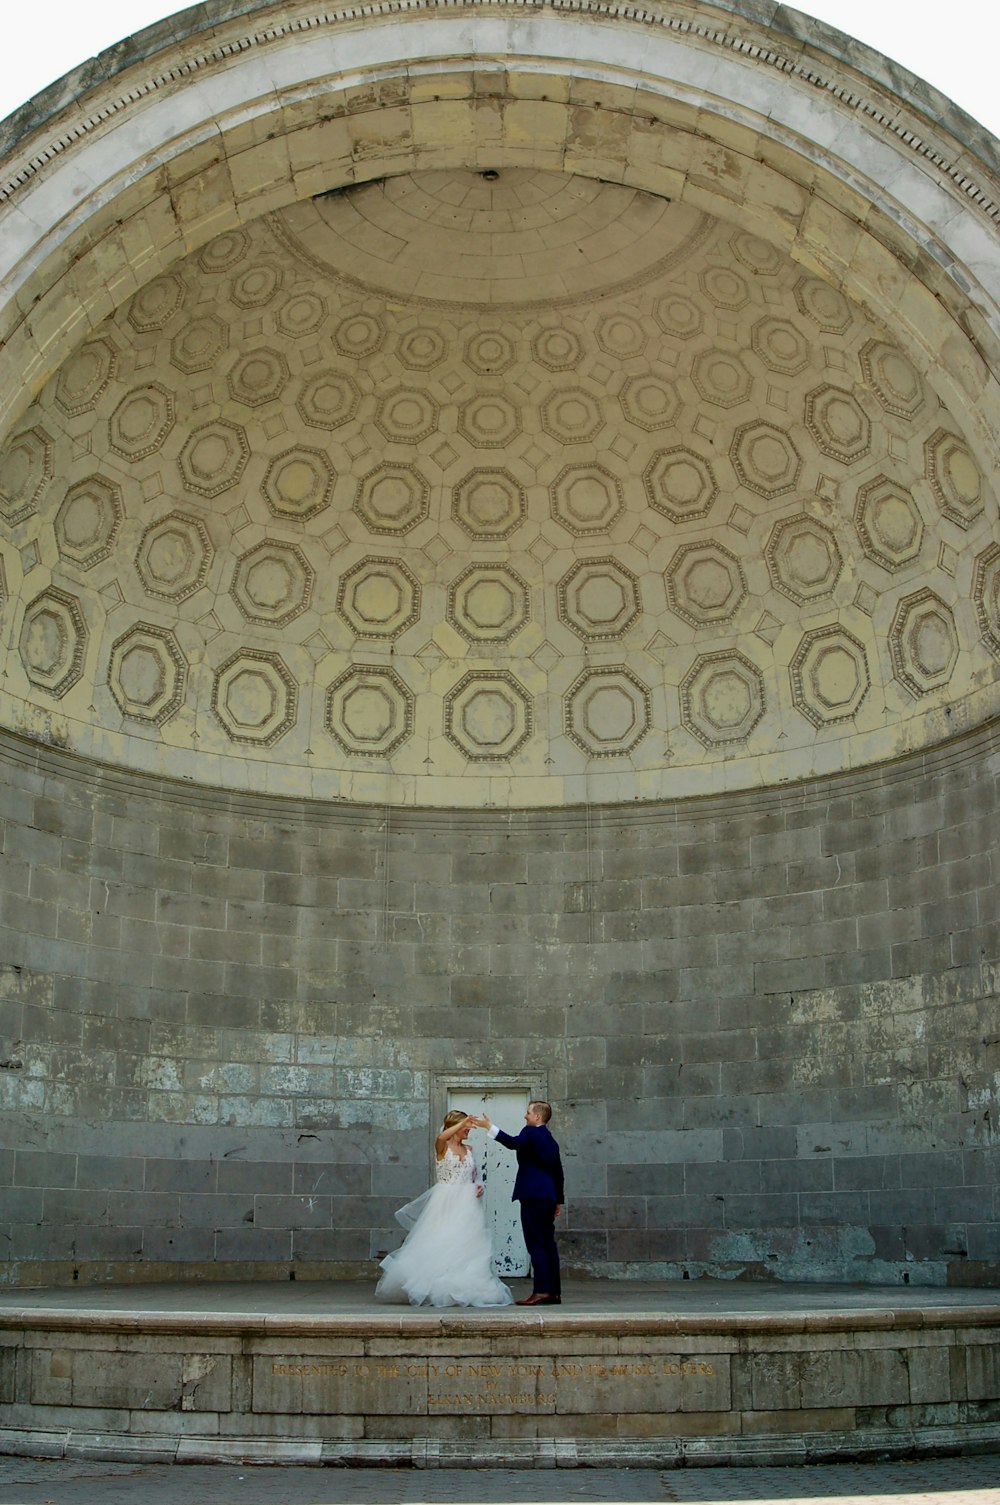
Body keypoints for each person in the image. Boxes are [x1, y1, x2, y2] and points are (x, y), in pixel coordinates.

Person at [374, 1110, 513, 1308]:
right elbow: (442, 1136)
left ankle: (465, 1287)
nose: (469, 1131)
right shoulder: (442, 1147)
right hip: (446, 1201)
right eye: (466, 1127)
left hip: (467, 1204)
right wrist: (461, 1123)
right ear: (455, 1127)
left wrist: (478, 1185)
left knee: (467, 1244)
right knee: (442, 1240)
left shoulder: (470, 1149)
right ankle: (435, 1286)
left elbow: (475, 1174)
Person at [473, 1101, 563, 1306]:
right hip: (548, 1198)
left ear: (537, 1117)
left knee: (536, 1244)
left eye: (528, 1112)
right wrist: (557, 1199)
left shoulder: (530, 1132)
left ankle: (541, 1291)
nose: (525, 1116)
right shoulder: (551, 1139)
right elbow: (558, 1172)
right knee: (548, 1244)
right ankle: (554, 1292)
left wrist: (489, 1127)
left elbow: (514, 1143)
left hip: (532, 1196)